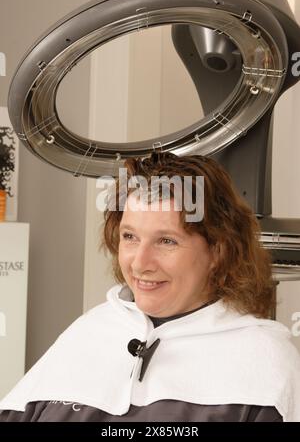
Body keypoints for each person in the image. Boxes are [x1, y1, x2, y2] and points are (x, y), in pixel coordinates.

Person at [0, 152, 300, 422]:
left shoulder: (264, 361)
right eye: (130, 237)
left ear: (218, 250)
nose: (140, 263)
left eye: (166, 241)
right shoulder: (87, 332)